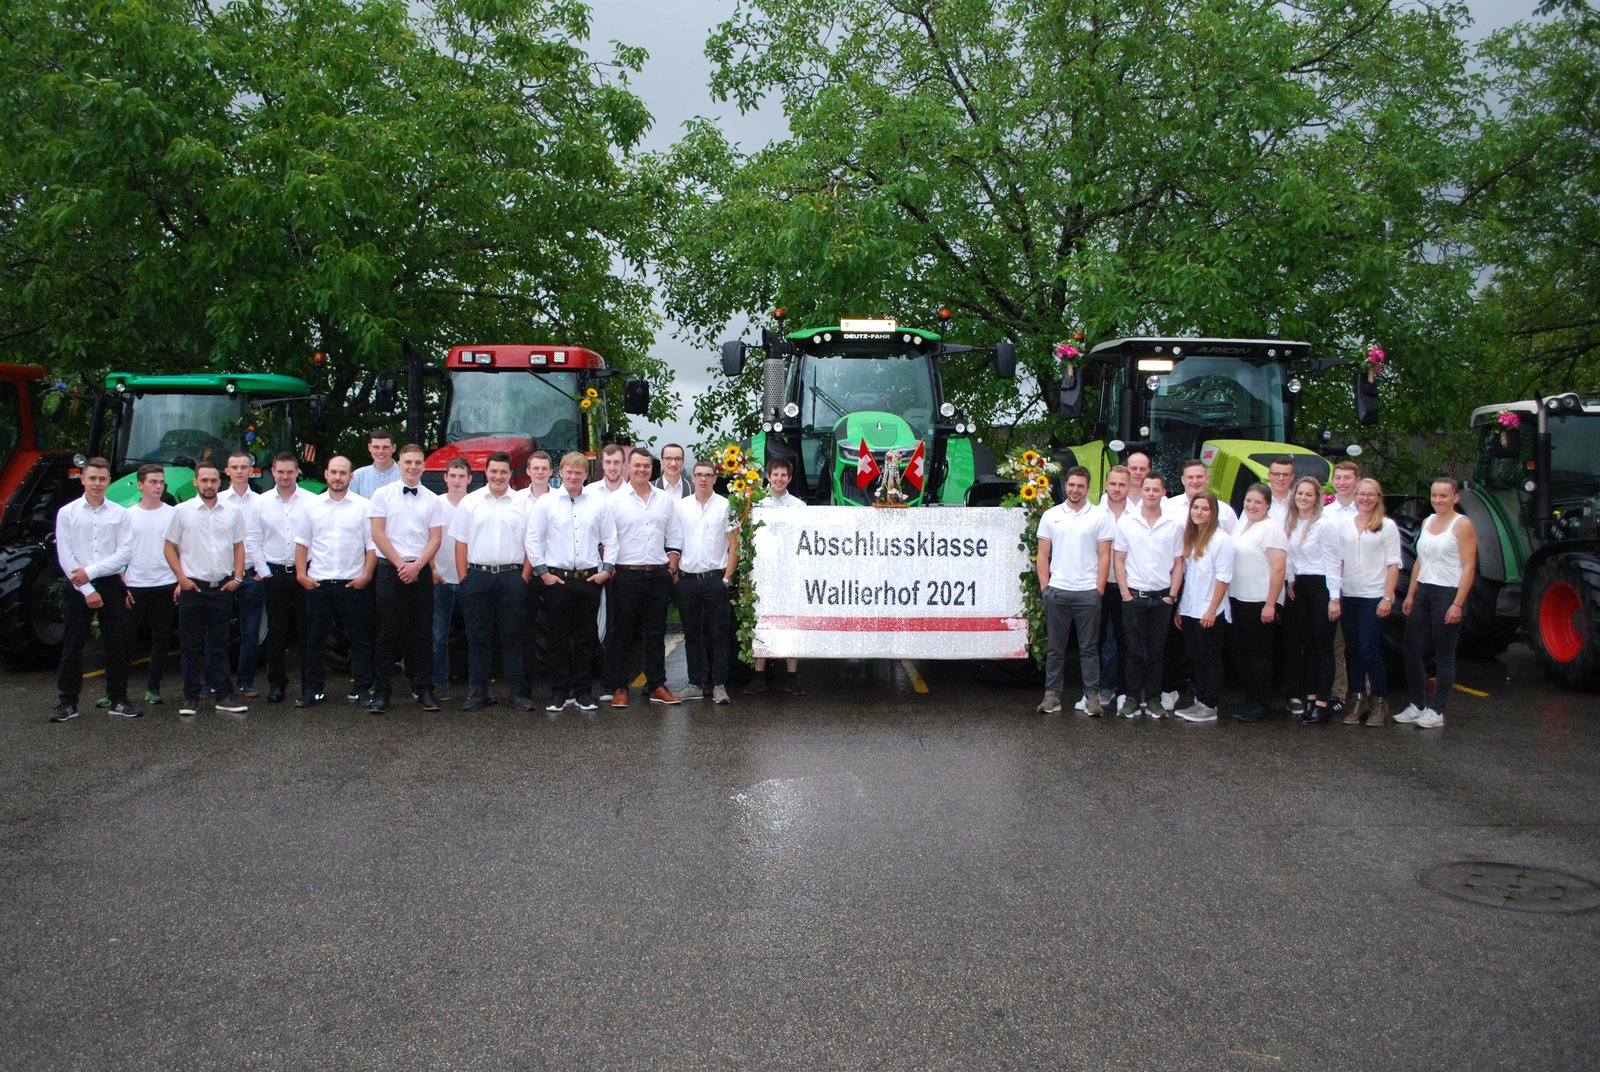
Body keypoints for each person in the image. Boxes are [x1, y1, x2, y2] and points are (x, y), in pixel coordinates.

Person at [527, 452, 616, 711]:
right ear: (561, 473)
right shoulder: (546, 503)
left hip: (589, 580)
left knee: (586, 639)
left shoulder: (598, 503)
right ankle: (559, 692)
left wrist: (606, 570)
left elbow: (611, 539)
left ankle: (583, 692)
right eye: (569, 471)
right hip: (557, 581)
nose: (574, 476)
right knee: (557, 639)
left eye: (579, 472)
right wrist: (543, 573)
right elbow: (533, 539)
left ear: (586, 475)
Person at [51, 456, 135, 722]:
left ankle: (118, 700)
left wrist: (92, 572)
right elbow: (65, 556)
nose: (97, 483)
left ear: (109, 481)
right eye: (92, 478)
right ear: (83, 480)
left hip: (110, 584)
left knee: (117, 645)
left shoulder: (120, 514)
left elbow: (125, 553)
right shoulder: (67, 513)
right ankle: (67, 703)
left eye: (102, 479)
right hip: (78, 586)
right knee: (72, 646)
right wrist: (87, 589)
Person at [163, 460, 249, 717]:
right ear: (195, 482)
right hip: (193, 589)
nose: (209, 485)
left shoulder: (232, 511)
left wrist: (237, 578)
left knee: (220, 645)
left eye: (213, 480)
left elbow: (239, 546)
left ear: (219, 482)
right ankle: (191, 697)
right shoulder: (181, 511)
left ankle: (224, 695)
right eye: (204, 480)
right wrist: (181, 579)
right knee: (190, 646)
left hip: (222, 588)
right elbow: (169, 547)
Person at [451, 451, 535, 711]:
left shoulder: (523, 504)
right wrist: (464, 580)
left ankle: (517, 692)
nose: (498, 476)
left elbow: (532, 545)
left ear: (511, 474)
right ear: (485, 472)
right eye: (494, 471)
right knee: (478, 637)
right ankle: (478, 691)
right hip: (478, 576)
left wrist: (523, 578)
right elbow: (461, 543)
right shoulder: (470, 502)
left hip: (512, 577)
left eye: (503, 472)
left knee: (513, 636)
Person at [293, 456, 376, 708]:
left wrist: (366, 576)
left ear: (351, 476)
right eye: (334, 472)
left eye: (343, 473)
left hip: (353, 583)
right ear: (326, 474)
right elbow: (302, 542)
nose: (338, 477)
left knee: (360, 639)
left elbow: (371, 545)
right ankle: (313, 690)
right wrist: (301, 575)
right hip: (319, 582)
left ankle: (362, 689)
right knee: (314, 640)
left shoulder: (363, 506)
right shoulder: (312, 506)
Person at [368, 443, 444, 713]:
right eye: (408, 462)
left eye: (418, 462)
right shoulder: (382, 495)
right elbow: (378, 533)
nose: (413, 467)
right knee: (386, 631)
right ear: (399, 464)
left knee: (422, 631)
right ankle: (381, 691)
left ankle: (424, 688)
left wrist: (418, 565)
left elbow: (435, 538)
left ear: (424, 466)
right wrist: (401, 564)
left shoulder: (433, 500)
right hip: (391, 569)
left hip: (420, 570)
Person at [605, 447, 684, 708]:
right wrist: (610, 568)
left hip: (658, 575)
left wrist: (671, 568)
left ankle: (656, 685)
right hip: (626, 575)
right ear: (628, 467)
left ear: (652, 468)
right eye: (637, 465)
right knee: (621, 633)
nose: (642, 470)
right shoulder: (614, 501)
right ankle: (619, 687)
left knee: (656, 633)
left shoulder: (664, 500)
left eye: (646, 466)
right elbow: (606, 538)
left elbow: (674, 535)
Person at [1034, 465, 1114, 715]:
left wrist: (1098, 589)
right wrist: (1046, 587)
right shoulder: (1051, 515)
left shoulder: (1100, 516)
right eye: (1071, 485)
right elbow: (1042, 554)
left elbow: (1105, 556)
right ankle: (1052, 696)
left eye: (1080, 486)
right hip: (1057, 591)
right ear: (1065, 486)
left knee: (1089, 649)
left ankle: (1092, 697)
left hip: (1087, 592)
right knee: (1055, 649)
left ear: (1088, 488)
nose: (1075, 490)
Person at [1399, 478, 1478, 730]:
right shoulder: (1428, 521)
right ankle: (1417, 704)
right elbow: (1421, 561)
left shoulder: (1462, 525)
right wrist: (1411, 594)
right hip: (1424, 590)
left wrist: (1457, 604)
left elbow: (1469, 567)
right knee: (1411, 651)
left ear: (1455, 498)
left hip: (1448, 592)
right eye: (1434, 495)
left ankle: (1437, 710)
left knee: (1444, 655)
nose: (1438, 500)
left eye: (1443, 496)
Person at [1112, 473, 1184, 718]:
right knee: (1132, 652)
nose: (1151, 494)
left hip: (1162, 598)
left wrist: (1172, 596)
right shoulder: (1127, 522)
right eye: (1147, 489)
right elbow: (1119, 559)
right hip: (1134, 596)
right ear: (1140, 491)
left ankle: (1153, 699)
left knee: (1156, 652)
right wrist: (1125, 593)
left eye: (1156, 489)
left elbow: (1178, 562)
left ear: (1164, 492)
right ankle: (1132, 698)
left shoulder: (1174, 524)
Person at [1335, 477, 1401, 726]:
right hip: (1349, 595)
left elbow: (1393, 564)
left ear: (1378, 498)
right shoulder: (1345, 525)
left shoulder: (1387, 526)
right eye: (1361, 494)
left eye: (1370, 494)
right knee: (1352, 651)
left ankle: (1380, 700)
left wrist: (1387, 597)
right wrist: (1336, 595)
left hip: (1374, 596)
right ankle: (1358, 698)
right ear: (1355, 496)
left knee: (1368, 650)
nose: (1365, 498)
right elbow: (1339, 562)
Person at [253, 452, 316, 703]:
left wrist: (312, 571)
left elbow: (318, 538)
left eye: (290, 471)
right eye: (280, 471)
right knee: (276, 633)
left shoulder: (312, 501)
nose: (285, 476)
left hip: (305, 574)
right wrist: (265, 573)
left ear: (297, 472)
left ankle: (310, 686)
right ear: (273, 472)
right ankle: (276, 685)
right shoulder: (261, 503)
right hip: (275, 574)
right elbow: (253, 539)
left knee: (307, 632)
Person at [675, 460, 739, 704]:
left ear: (714, 479)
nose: (703, 479)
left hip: (715, 580)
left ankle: (719, 685)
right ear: (692, 478)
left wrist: (727, 578)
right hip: (687, 580)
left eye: (708, 475)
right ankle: (695, 683)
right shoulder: (680, 507)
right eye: (699, 474)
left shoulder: (726, 506)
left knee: (719, 633)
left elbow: (734, 544)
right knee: (692, 634)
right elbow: (673, 541)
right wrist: (675, 576)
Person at [1283, 475, 1341, 724]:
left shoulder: (1324, 525)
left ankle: (1323, 702)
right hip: (1300, 587)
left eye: (1309, 494)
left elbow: (1333, 562)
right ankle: (1310, 697)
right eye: (1300, 493)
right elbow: (1290, 557)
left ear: (1317, 498)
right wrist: (1291, 578)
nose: (1303, 498)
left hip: (1321, 588)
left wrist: (1334, 598)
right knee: (1306, 646)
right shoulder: (1293, 522)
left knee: (1323, 647)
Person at [1227, 483, 1287, 723]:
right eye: (1248, 500)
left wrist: (1270, 604)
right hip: (1239, 597)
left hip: (1260, 600)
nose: (1252, 506)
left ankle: (1261, 703)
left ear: (1268, 505)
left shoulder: (1271, 529)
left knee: (1258, 654)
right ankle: (1251, 700)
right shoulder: (1241, 524)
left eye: (1258, 502)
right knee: (1242, 651)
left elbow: (1279, 569)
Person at [745, 457, 806, 694]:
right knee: (761, 620)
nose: (779, 479)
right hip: (763, 570)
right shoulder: (756, 503)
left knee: (791, 621)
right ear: (768, 477)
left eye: (783, 475)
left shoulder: (799, 507)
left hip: (790, 571)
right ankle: (759, 676)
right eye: (775, 475)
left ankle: (792, 677)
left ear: (789, 478)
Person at [1173, 492, 1234, 724]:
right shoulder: (1192, 537)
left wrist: (1212, 610)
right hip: (1190, 608)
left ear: (1213, 512)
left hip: (1209, 610)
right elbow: (1189, 577)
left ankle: (1210, 704)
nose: (1199, 512)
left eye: (1205, 508)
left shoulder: (1221, 540)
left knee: (1210, 658)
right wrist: (1181, 608)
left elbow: (1223, 578)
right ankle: (1200, 700)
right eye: (1195, 507)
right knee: (1195, 656)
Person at [123, 464, 177, 708]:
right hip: (135, 585)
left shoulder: (173, 514)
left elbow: (183, 548)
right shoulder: (127, 516)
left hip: (166, 584)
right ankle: (116, 690)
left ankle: (153, 688)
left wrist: (181, 579)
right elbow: (120, 551)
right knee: (126, 639)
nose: (158, 486)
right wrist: (122, 584)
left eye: (161, 482)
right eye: (153, 482)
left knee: (161, 639)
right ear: (140, 484)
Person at [219, 449, 265, 699]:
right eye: (234, 467)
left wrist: (261, 571)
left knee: (250, 631)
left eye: (244, 467)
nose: (239, 471)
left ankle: (246, 680)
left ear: (251, 471)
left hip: (251, 575)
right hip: (223, 575)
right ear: (227, 471)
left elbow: (268, 536)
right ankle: (217, 681)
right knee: (218, 631)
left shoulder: (261, 502)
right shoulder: (217, 501)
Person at [431, 457, 472, 699]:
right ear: (445, 478)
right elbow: (426, 538)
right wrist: (432, 569)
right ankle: (439, 683)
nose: (457, 481)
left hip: (469, 580)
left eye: (461, 476)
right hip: (441, 579)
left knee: (476, 636)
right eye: (452, 476)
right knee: (438, 636)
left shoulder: (475, 504)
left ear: (469, 479)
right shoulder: (435, 504)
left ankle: (476, 686)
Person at [515, 450, 554, 704]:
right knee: (525, 632)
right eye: (535, 468)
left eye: (544, 468)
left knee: (559, 632)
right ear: (528, 471)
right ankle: (524, 689)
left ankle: (559, 688)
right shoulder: (516, 500)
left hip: (554, 574)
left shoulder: (561, 499)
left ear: (551, 471)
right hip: (524, 575)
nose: (540, 472)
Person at [1093, 464, 1132, 710]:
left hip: (1127, 587)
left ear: (1129, 486)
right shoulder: (1095, 514)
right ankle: (1099, 688)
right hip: (1099, 585)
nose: (1117, 489)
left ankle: (1125, 691)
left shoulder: (1137, 515)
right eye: (1113, 484)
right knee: (1096, 641)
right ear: (1106, 484)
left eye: (1122, 484)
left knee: (1125, 641)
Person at [1325, 459, 1362, 712]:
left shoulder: (1367, 511)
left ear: (1357, 480)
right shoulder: (1325, 513)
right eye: (1338, 477)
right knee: (1336, 643)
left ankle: (1363, 693)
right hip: (1333, 587)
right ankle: (1338, 693)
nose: (1342, 482)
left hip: (1360, 586)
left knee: (1361, 644)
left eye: (1347, 477)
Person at [1164, 459, 1240, 534]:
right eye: (1190, 477)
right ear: (1183, 480)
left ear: (1208, 479)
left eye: (1199, 477)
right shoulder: (1167, 506)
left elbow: (1235, 538)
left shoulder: (1224, 510)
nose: (1195, 481)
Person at [350, 429, 400, 500]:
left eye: (385, 447)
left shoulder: (404, 474)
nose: (381, 451)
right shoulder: (358, 476)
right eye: (376, 447)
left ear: (394, 448)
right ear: (369, 447)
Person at [1266, 456, 1296, 523]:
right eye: (1276, 474)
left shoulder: (1297, 502)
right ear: (1268, 476)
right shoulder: (1258, 499)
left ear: (1292, 477)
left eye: (1286, 475)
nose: (1281, 478)